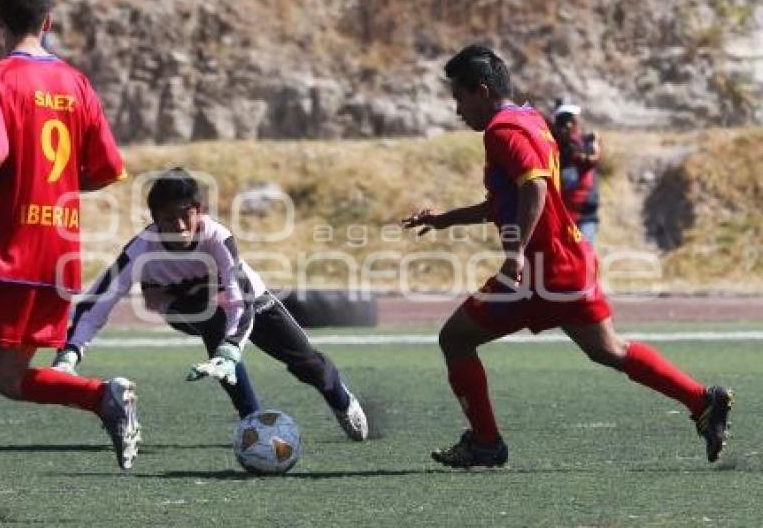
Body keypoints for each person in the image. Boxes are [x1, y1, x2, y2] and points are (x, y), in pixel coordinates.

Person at [401, 43, 732, 468]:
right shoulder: (530, 119)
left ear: (481, 90)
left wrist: (516, 252)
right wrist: (448, 219)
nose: (457, 109)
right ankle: (703, 400)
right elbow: (511, 197)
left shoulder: (502, 131)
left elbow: (535, 189)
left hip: (537, 272)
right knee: (608, 349)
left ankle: (485, 442)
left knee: (455, 339)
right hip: (569, 260)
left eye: (459, 97)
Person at [0, 0, 139, 521]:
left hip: (4, 252)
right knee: (7, 377)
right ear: (48, 20)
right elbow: (107, 168)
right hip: (59, 255)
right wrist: (59, 185)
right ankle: (100, 396)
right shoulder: (76, 82)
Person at [51, 167, 369, 442]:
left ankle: (341, 400)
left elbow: (238, 297)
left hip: (248, 302)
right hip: (188, 310)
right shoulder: (141, 249)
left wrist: (231, 349)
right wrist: (71, 352)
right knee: (210, 315)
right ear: (154, 220)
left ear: (199, 210)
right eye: (167, 218)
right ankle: (252, 420)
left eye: (184, 215)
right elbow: (98, 302)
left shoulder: (217, 238)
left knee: (308, 364)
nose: (178, 226)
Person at [552, 102, 601, 244]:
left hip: (580, 213)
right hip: (576, 213)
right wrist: (596, 143)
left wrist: (590, 139)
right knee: (582, 259)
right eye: (573, 121)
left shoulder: (572, 143)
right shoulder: (568, 149)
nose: (576, 124)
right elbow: (593, 159)